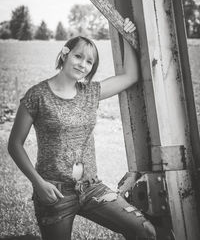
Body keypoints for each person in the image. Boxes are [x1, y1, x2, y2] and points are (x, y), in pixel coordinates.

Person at [8, 18, 156, 240]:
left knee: (145, 230)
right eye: (78, 56)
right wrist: (38, 183)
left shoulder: (90, 92)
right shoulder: (36, 95)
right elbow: (14, 144)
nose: (82, 64)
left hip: (91, 188)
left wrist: (125, 35)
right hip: (54, 192)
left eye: (89, 62)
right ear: (65, 53)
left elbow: (130, 77)